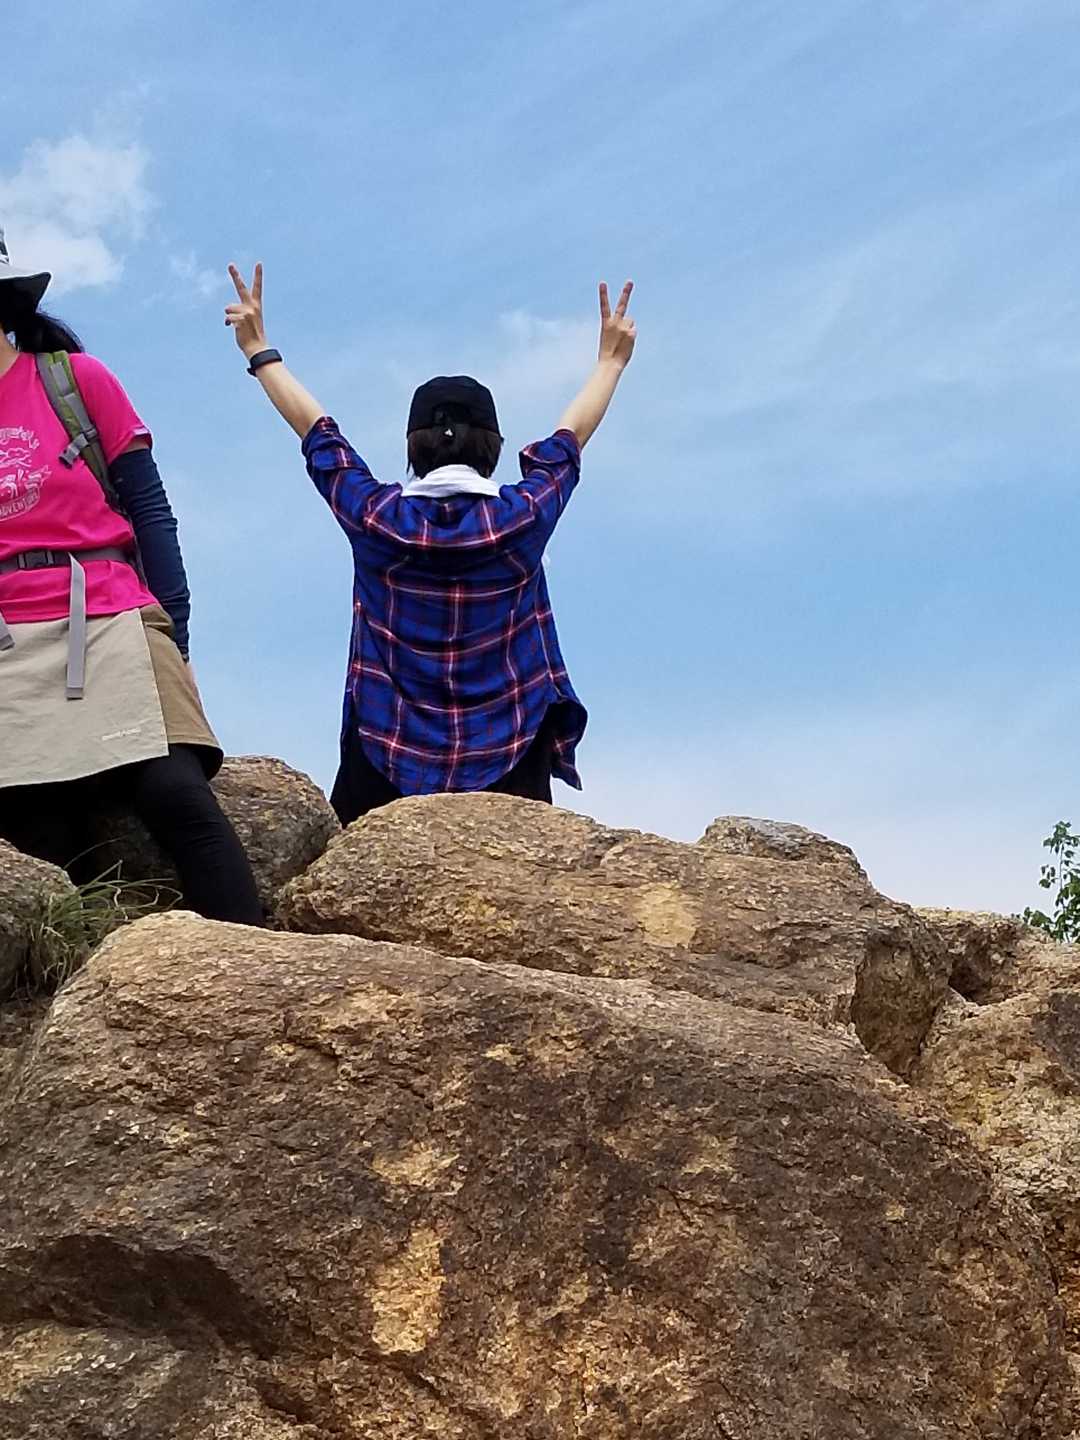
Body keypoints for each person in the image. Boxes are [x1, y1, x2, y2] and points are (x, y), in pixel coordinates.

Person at [225, 262, 637, 824]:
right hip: (510, 753)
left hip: (385, 753)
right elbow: (569, 441)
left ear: (413, 447)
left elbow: (318, 435)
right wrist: (610, 363)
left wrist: (260, 350)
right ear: (492, 447)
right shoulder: (522, 518)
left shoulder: (375, 517)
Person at [0, 227, 262, 925]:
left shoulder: (74, 379)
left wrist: (177, 636)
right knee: (41, 834)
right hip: (7, 646)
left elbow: (150, 511)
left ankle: (257, 969)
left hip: (110, 615)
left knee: (176, 793)